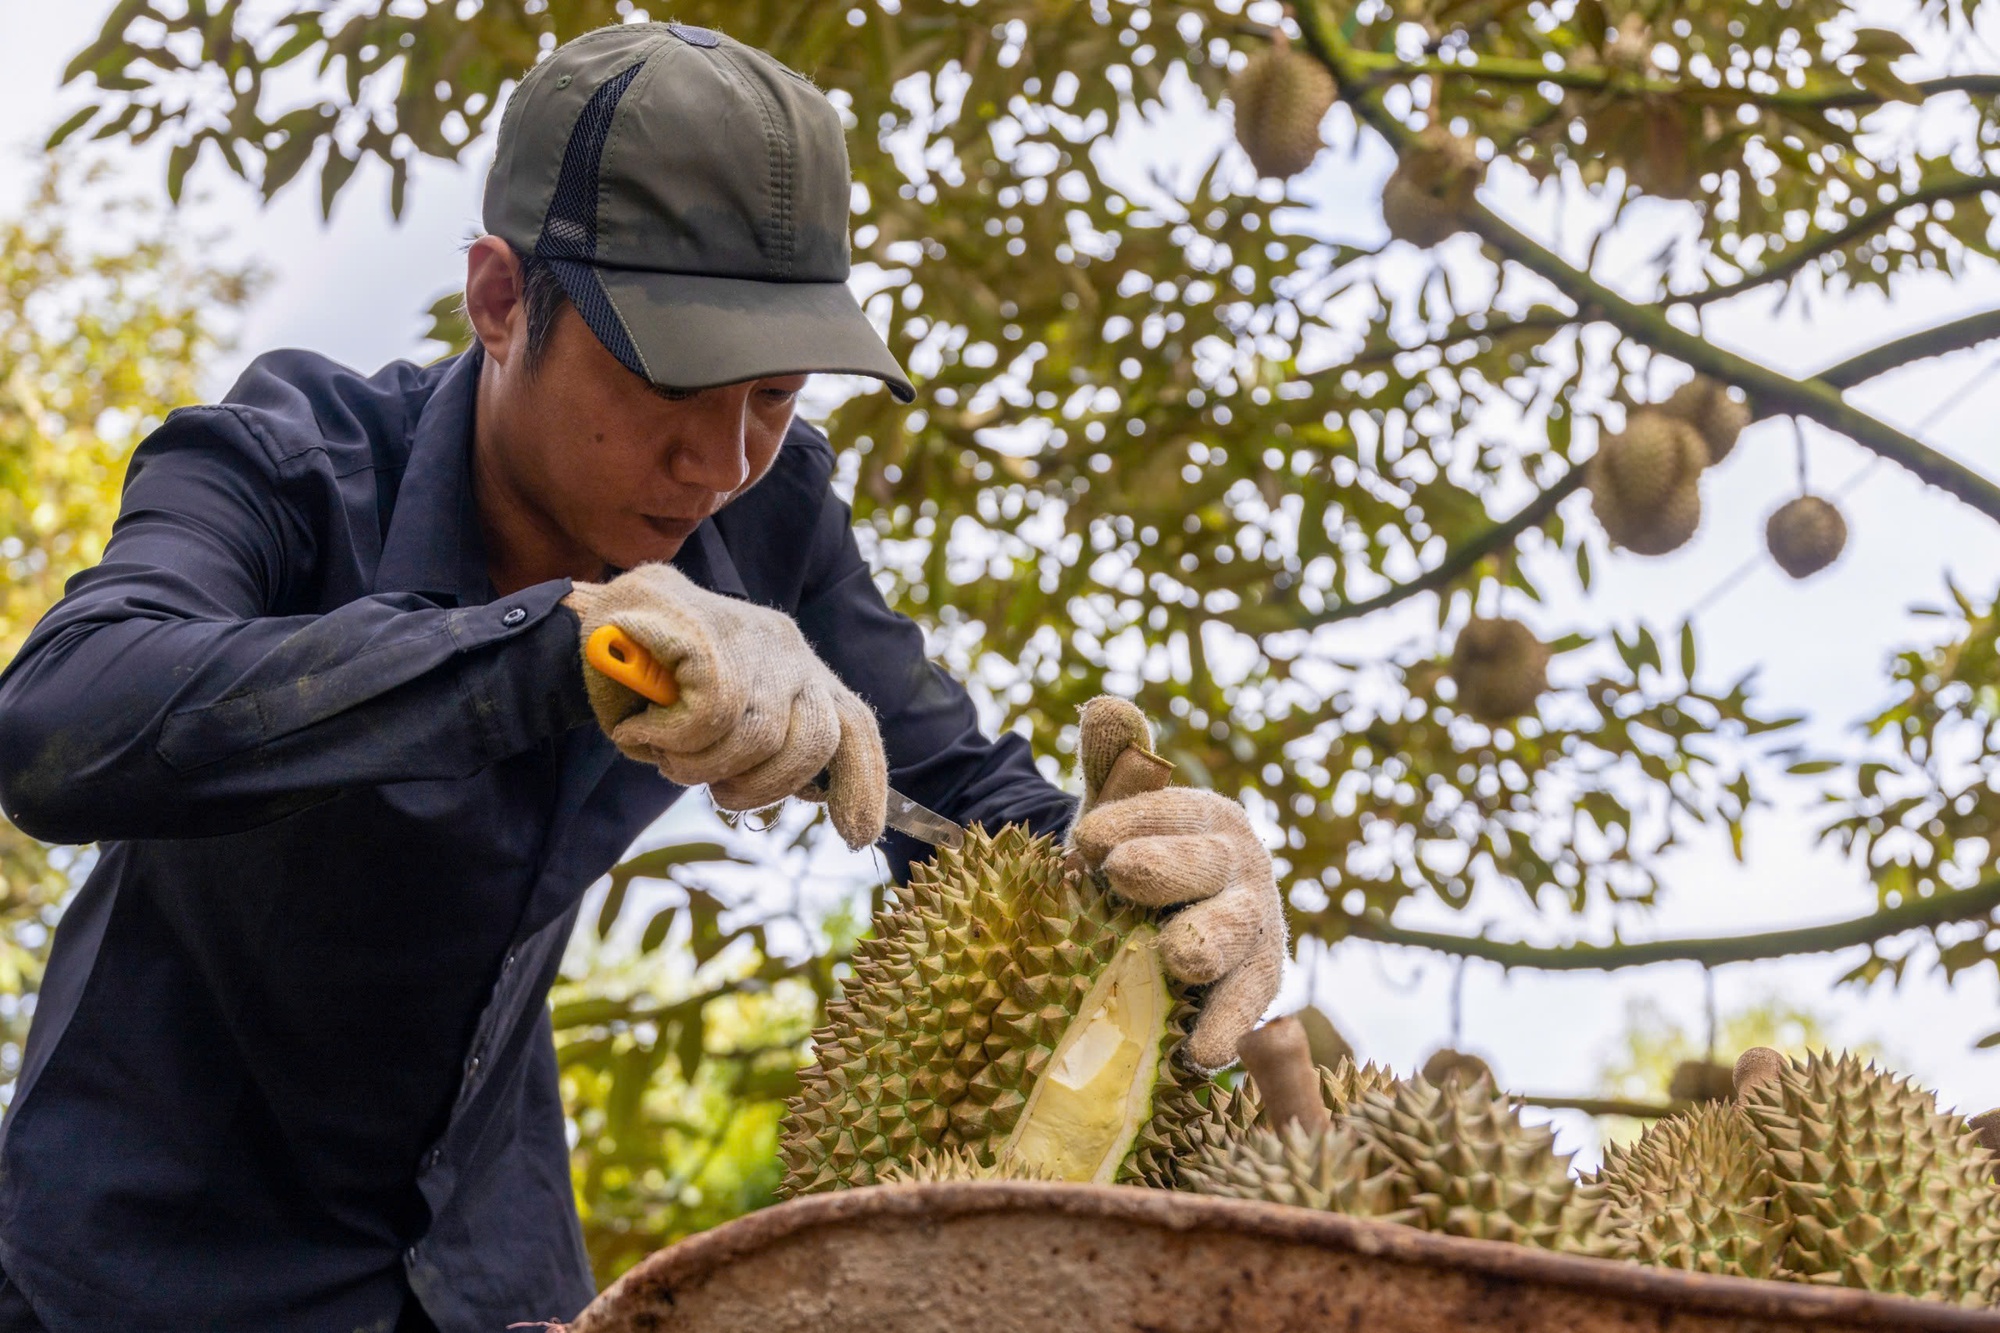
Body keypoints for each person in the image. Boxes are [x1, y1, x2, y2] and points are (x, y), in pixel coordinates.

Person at [0, 21, 1283, 1333]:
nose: (723, 459)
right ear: (500, 301)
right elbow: (63, 716)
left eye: (775, 391)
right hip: (137, 1262)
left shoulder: (771, 523)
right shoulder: (295, 460)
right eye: (678, 376)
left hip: (488, 1282)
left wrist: (1156, 871)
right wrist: (561, 647)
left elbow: (953, 803)